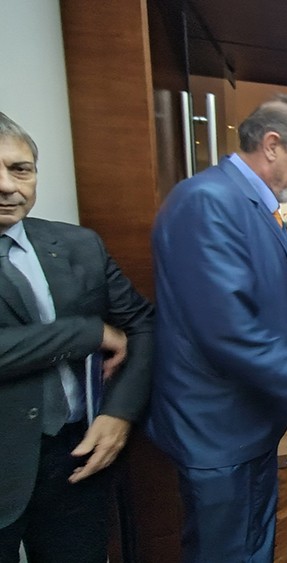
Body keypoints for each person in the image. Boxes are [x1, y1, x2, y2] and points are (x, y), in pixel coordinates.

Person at [147, 94, 287, 562]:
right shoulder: (208, 201)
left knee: (251, 543)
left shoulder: (249, 202)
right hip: (218, 427)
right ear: (271, 145)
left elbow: (241, 295)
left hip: (247, 422)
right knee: (227, 552)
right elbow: (223, 328)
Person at [0, 112, 155, 562]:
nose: (7, 184)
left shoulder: (79, 245)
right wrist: (87, 331)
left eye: (20, 169)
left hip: (78, 459)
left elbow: (143, 324)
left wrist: (120, 413)